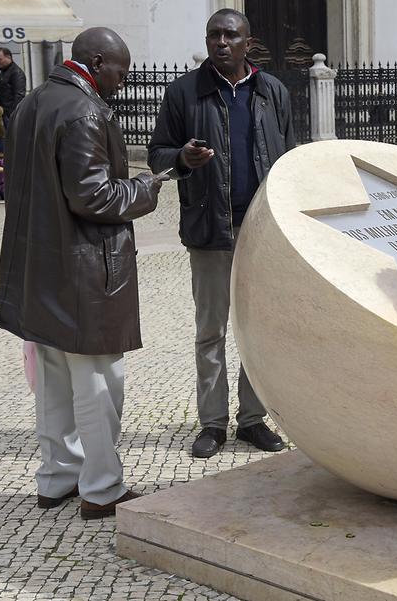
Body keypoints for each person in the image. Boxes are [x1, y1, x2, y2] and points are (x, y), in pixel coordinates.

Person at [0, 28, 163, 520]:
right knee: (96, 382)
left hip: (38, 265)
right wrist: (147, 188)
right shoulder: (86, 111)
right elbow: (95, 198)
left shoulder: (30, 103)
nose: (123, 83)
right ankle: (102, 489)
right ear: (95, 61)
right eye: (121, 72)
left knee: (51, 381)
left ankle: (56, 478)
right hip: (85, 270)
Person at [148, 8, 296, 459]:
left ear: (247, 42)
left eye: (230, 35)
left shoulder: (273, 92)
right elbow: (157, 155)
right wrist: (181, 159)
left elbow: (288, 159)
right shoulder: (183, 93)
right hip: (209, 228)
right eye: (214, 34)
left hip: (260, 230)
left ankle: (253, 419)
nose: (221, 42)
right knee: (209, 331)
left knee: (258, 330)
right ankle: (212, 423)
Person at [0, 47, 27, 121]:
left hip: (10, 114)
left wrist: (12, 115)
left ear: (8, 57)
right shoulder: (4, 71)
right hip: (4, 113)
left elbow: (19, 96)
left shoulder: (16, 73)